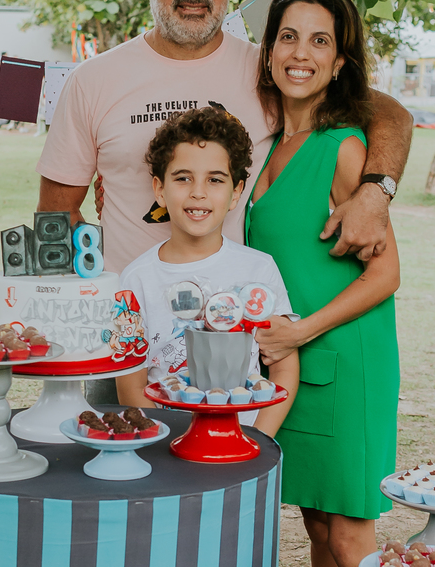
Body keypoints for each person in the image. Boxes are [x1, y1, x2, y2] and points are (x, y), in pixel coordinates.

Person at [36, 0, 413, 275]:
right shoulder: (92, 81)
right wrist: (95, 290)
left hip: (237, 320)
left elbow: (390, 113)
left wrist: (376, 193)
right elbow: (55, 215)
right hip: (129, 324)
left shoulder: (271, 72)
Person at [247, 0, 401, 567]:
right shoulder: (270, 151)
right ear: (269, 50)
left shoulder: (343, 149)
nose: (300, 53)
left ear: (340, 62)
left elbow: (386, 276)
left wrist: (298, 334)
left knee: (348, 532)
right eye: (288, 37)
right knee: (315, 526)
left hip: (342, 361)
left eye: (319, 40)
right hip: (294, 365)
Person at [115, 108, 299, 435]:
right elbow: (130, 385)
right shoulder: (136, 279)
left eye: (215, 179)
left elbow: (284, 366)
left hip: (241, 447)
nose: (198, 192)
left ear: (236, 192)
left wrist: (259, 440)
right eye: (183, 178)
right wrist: (161, 444)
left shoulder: (259, 269)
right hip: (167, 448)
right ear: (159, 189)